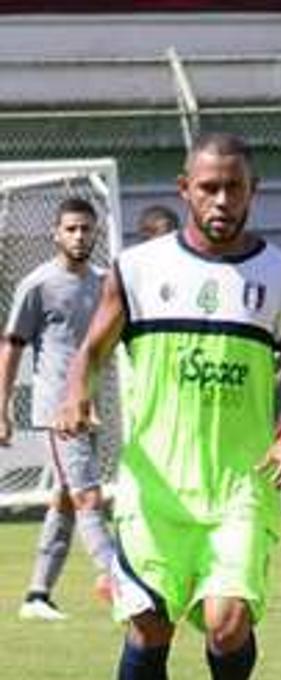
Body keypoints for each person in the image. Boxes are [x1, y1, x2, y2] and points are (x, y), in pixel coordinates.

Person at [58, 131, 281, 680]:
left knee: (227, 626)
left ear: (253, 192)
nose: (222, 200)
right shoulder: (138, 270)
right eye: (209, 187)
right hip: (154, 488)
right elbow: (92, 349)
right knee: (148, 628)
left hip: (240, 484)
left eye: (234, 187)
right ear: (184, 189)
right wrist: (76, 389)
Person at [0, 197, 115, 621]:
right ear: (56, 233)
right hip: (57, 410)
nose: (79, 236)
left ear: (96, 234)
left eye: (86, 229)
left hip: (92, 407)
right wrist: (2, 407)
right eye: (71, 229)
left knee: (67, 499)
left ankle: (37, 595)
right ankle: (117, 578)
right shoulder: (38, 284)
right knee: (88, 494)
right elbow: (11, 347)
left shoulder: (105, 283)